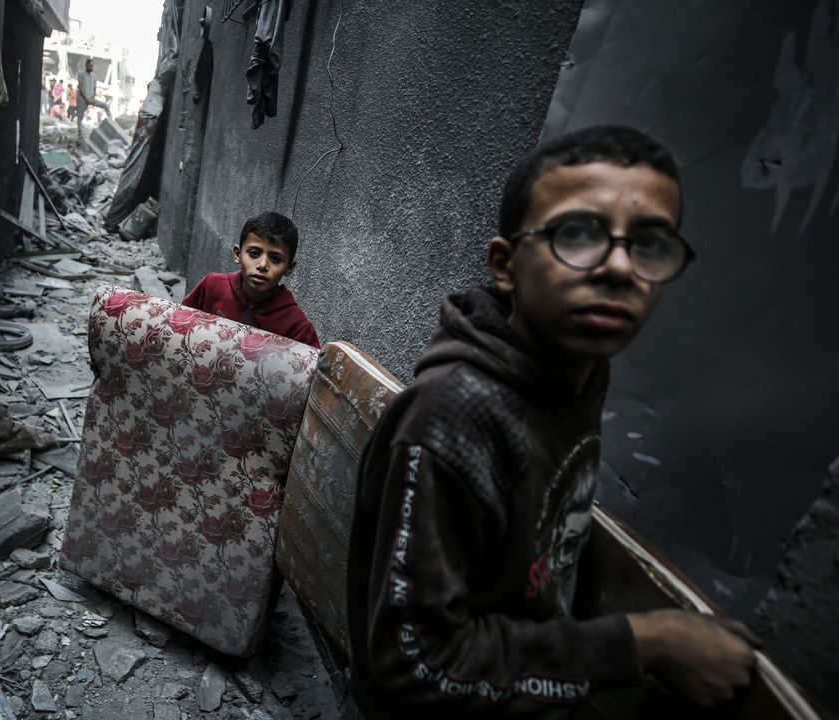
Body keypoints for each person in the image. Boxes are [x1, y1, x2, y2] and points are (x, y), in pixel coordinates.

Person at [345, 125, 757, 718]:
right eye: (579, 234)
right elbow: (415, 661)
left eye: (650, 244)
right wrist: (647, 643)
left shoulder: (579, 373)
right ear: (505, 266)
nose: (620, 268)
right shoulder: (452, 416)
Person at [181, 211, 320, 348]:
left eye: (275, 259)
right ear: (238, 254)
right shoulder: (212, 286)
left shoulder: (297, 325)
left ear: (289, 268)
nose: (263, 265)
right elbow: (178, 326)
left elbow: (311, 367)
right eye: (254, 253)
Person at [76, 59, 110, 140]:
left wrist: (92, 98)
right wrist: (86, 99)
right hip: (82, 98)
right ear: (86, 65)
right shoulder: (81, 74)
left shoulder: (94, 76)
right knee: (80, 116)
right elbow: (80, 88)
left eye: (92, 66)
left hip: (91, 98)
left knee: (106, 106)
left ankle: (110, 124)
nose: (91, 67)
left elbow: (95, 89)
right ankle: (79, 133)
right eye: (90, 65)